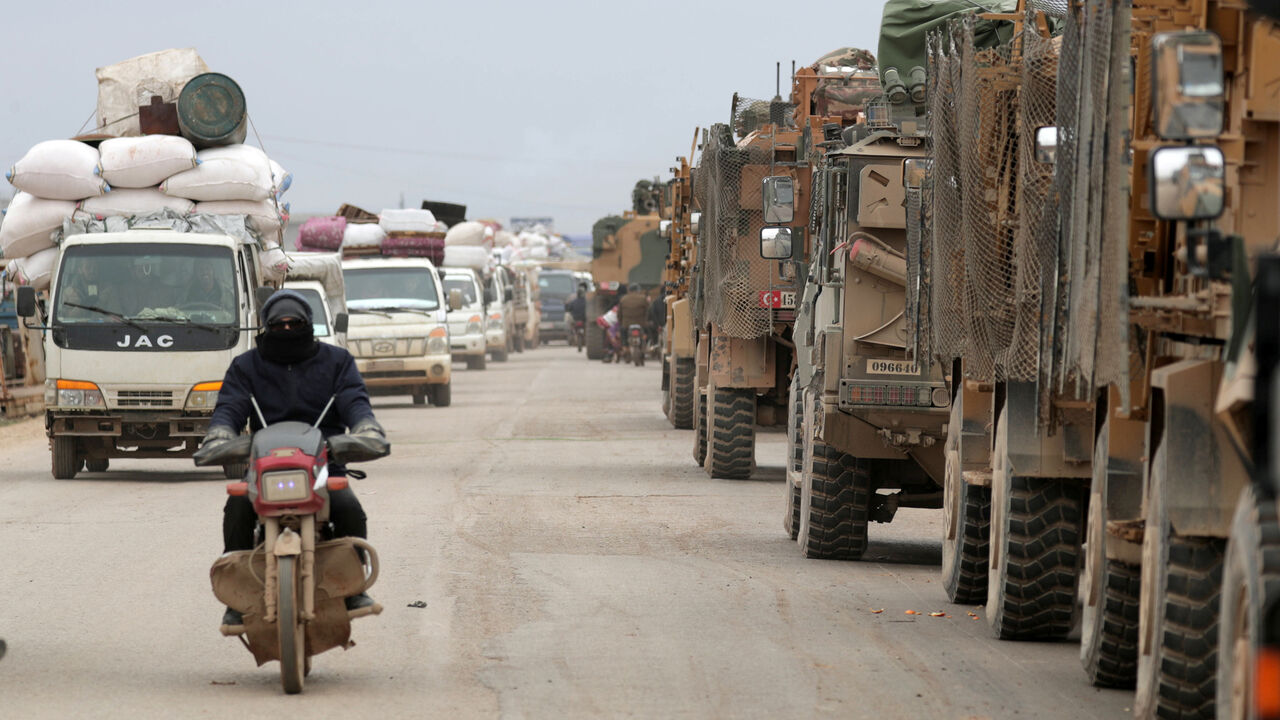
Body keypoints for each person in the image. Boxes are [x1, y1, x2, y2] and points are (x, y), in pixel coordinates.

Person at [197, 289, 387, 631]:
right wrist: (220, 434)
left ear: (308, 325)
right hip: (264, 468)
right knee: (237, 508)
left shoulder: (337, 361)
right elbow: (229, 408)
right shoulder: (245, 366)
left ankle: (353, 590)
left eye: (294, 323)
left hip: (324, 465)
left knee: (348, 509)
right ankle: (237, 600)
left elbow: (355, 401)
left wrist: (365, 428)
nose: (287, 330)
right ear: (265, 328)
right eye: (279, 325)